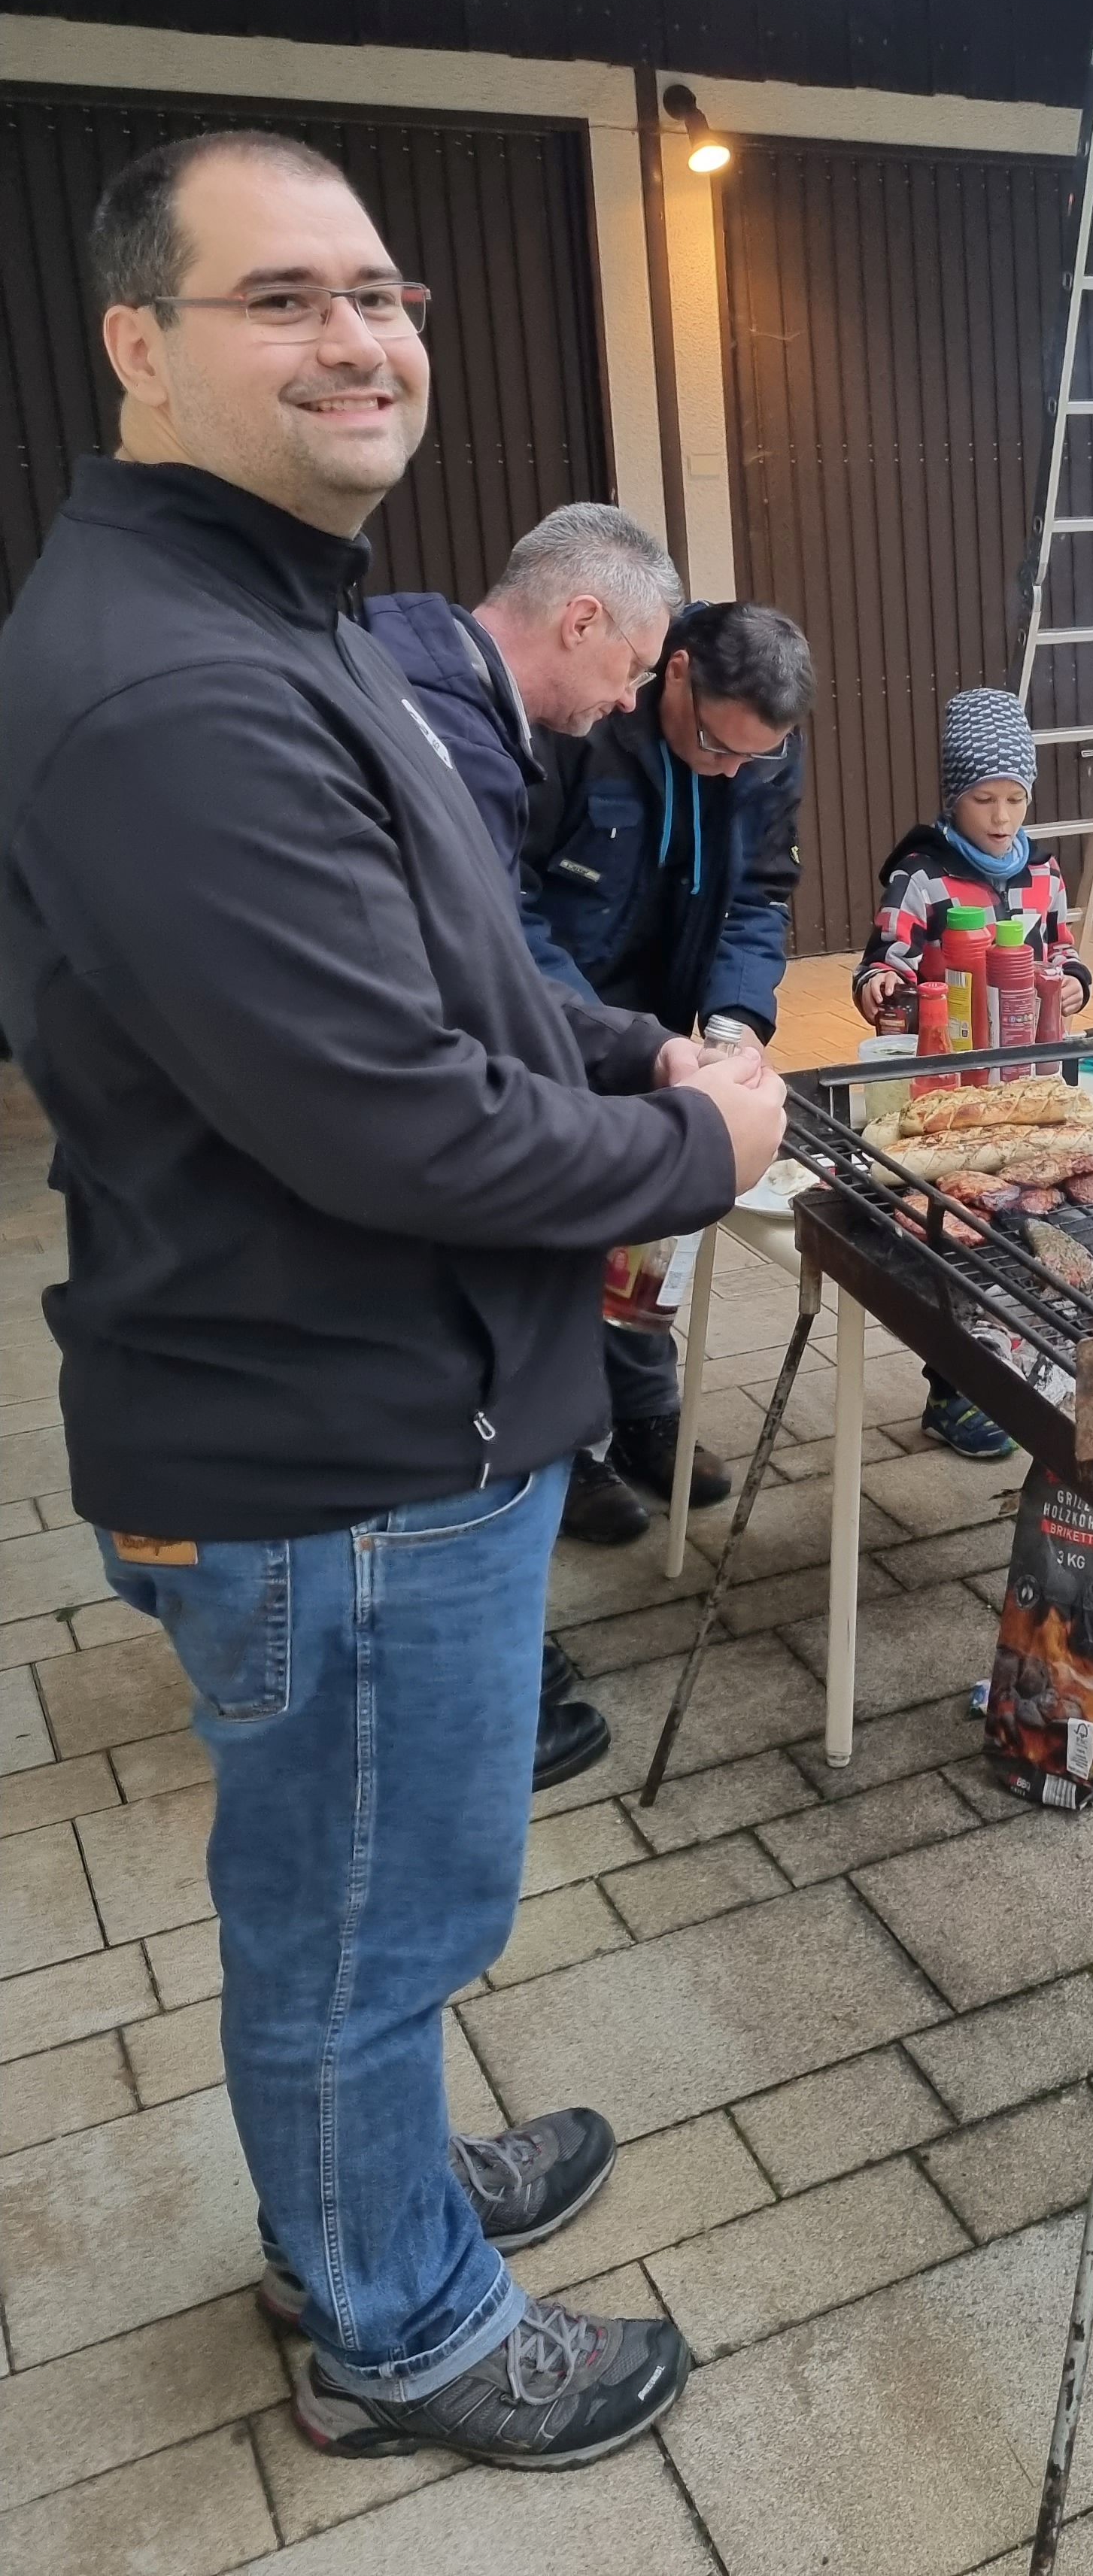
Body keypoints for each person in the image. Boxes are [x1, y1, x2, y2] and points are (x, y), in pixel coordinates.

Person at [0, 128, 786, 2468]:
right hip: (331, 1447)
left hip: (377, 1417)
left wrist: (634, 1051)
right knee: (363, 1924)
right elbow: (401, 1128)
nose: (360, 337)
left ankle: (373, 2199)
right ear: (140, 343)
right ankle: (402, 2327)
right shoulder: (174, 688)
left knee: (374, 1907)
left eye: (380, 293)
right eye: (283, 299)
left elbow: (454, 980)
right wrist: (704, 1151)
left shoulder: (290, 611)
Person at [365, 501, 685, 1787]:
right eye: (632, 666)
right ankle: (476, 1695)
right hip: (407, 1178)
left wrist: (642, 1048)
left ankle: (490, 1665)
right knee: (463, 1400)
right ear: (580, 618)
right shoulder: (445, 733)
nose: (628, 700)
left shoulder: (433, 691)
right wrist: (654, 1114)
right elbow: (481, 981)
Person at [521, 598, 814, 1542]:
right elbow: (509, 909)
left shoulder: (761, 747)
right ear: (676, 672)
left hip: (670, 1013)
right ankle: (565, 1449)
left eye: (753, 757)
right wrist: (612, 1036)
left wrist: (732, 1024)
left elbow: (760, 893)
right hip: (557, 1012)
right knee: (561, 1231)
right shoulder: (580, 720)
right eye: (717, 747)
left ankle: (648, 1416)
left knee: (652, 1226)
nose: (732, 769)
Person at [853, 686, 1093, 1459]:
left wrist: (1074, 981)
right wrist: (880, 987)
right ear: (954, 799)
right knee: (960, 1233)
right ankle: (952, 1389)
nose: (1001, 816)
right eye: (984, 799)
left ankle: (1028, 1362)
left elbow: (1062, 951)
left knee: (1035, 1221)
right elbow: (884, 960)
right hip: (949, 1085)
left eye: (1015, 799)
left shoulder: (1044, 872)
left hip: (1027, 1083)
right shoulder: (923, 874)